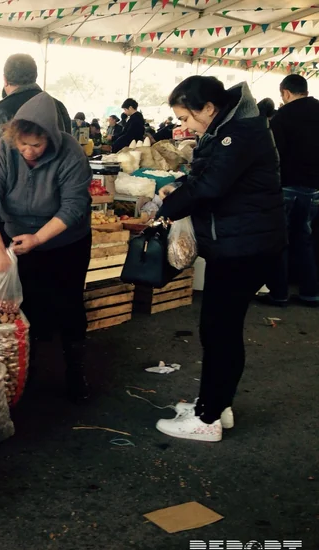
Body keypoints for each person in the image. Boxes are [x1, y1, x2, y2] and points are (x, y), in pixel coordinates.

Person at [154, 76, 286, 442]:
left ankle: (207, 418)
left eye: (186, 118)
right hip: (242, 243)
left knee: (219, 331)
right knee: (220, 329)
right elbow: (212, 179)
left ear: (208, 108)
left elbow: (211, 186)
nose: (185, 126)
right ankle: (216, 405)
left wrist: (168, 205)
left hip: (244, 247)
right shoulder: (235, 126)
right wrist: (181, 190)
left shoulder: (237, 133)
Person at [0, 92, 93, 402]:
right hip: (16, 238)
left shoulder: (71, 153)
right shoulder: (1, 152)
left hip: (67, 240)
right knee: (28, 306)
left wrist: (39, 238)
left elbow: (73, 206)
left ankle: (76, 371)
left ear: (50, 138)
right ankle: (29, 373)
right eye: (22, 144)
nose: (28, 151)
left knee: (69, 305)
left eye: (36, 145)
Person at [261, 74, 319, 307]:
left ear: (285, 93)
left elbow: (272, 155)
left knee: (279, 241)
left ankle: (279, 294)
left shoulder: (281, 117)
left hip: (286, 186)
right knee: (304, 239)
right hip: (315, 189)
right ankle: (310, 293)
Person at [0, 53, 71, 155]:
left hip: (17, 171)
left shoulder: (6, 107)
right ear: (35, 77)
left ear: (5, 80)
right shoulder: (58, 105)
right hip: (57, 171)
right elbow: (69, 149)